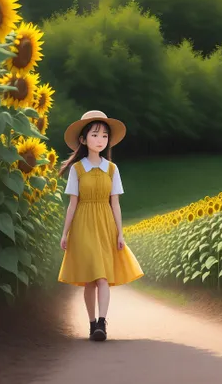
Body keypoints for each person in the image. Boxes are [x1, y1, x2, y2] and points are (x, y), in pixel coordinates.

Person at [57, 110, 144, 342]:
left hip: (105, 222)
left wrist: (120, 233)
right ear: (83, 140)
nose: (100, 140)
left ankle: (102, 323)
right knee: (90, 278)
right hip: (83, 223)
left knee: (103, 276)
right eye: (95, 135)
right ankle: (92, 322)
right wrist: (65, 233)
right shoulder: (76, 170)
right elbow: (72, 204)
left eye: (104, 136)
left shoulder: (112, 169)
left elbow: (115, 203)